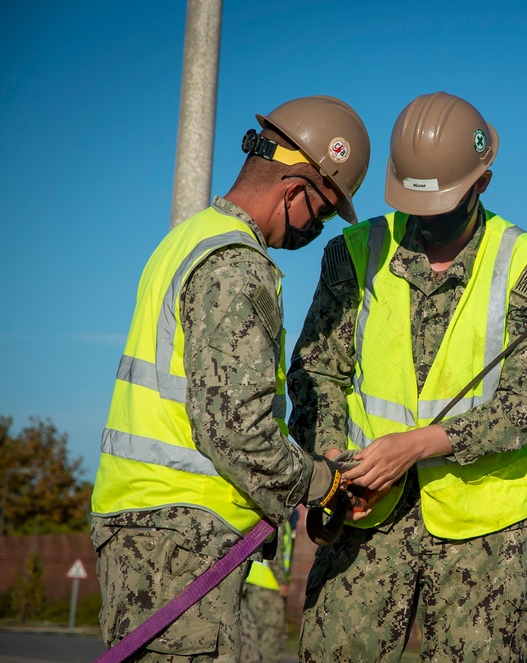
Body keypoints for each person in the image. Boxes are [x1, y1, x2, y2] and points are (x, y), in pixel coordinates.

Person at [288, 91, 527, 662]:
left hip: (482, 533)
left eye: (444, 204)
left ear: (482, 184)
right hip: (365, 514)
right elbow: (317, 374)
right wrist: (337, 468)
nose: (427, 220)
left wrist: (415, 447)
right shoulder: (355, 252)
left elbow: (522, 409)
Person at [90, 95, 370, 662]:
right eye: (320, 214)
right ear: (294, 190)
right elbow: (237, 429)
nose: (315, 229)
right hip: (181, 534)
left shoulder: (188, 238)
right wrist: (324, 483)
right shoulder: (237, 265)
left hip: (152, 529)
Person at [240, 510, 298, 663]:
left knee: (254, 633)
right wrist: (283, 582)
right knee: (271, 634)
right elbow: (276, 556)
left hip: (256, 582)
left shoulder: (268, 518)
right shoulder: (281, 523)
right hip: (268, 585)